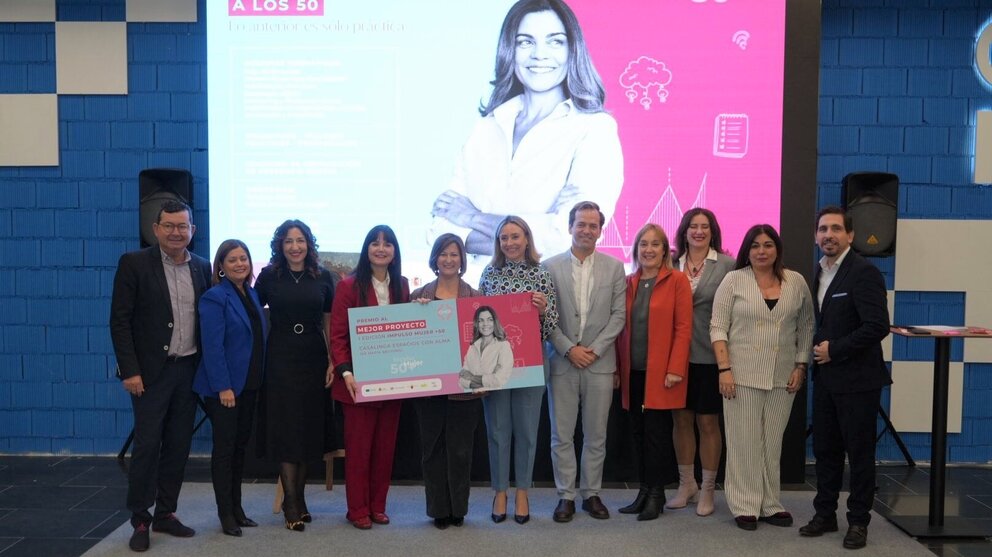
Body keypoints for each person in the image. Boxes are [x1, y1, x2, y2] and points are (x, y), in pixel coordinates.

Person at [430, 0, 623, 258]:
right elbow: (440, 231)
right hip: (475, 293)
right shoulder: (485, 128)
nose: (539, 54)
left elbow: (566, 236)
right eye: (525, 42)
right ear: (510, 49)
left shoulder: (595, 129)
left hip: (547, 294)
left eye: (554, 41)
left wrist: (471, 216)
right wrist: (531, 236)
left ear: (572, 49)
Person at [109, 200, 211, 552]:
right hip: (149, 375)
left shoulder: (201, 267)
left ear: (192, 231)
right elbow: (120, 321)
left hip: (188, 371)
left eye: (182, 226)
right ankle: (140, 518)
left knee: (179, 446)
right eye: (168, 226)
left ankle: (167, 513)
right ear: (155, 229)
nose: (175, 232)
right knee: (148, 446)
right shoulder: (134, 264)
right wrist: (130, 371)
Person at [709, 224, 814, 531]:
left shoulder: (795, 282)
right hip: (740, 375)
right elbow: (718, 327)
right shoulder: (733, 280)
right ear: (747, 250)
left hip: (784, 377)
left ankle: (770, 503)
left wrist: (801, 364)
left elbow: (807, 326)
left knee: (771, 442)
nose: (761, 251)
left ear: (777, 249)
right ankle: (745, 504)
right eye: (755, 245)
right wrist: (724, 370)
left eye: (768, 245)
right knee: (745, 442)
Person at [799, 206, 890, 550]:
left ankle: (858, 522)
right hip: (826, 380)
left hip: (858, 381)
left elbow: (877, 326)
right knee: (825, 451)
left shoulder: (864, 272)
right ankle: (825, 514)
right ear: (816, 236)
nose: (829, 235)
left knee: (860, 454)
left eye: (836, 229)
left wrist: (834, 350)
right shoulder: (819, 273)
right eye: (823, 229)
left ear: (850, 235)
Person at [544, 201, 625, 522]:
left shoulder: (615, 267)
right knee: (561, 435)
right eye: (581, 224)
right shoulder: (549, 268)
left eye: (593, 225)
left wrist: (594, 348)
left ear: (600, 231)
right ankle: (565, 496)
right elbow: (546, 317)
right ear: (570, 227)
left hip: (600, 363)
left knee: (596, 435)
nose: (587, 230)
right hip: (562, 362)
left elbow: (619, 315)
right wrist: (568, 349)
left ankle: (591, 493)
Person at [255, 220, 335, 532]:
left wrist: (332, 360)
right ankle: (290, 501)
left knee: (307, 429)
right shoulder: (269, 276)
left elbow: (329, 321)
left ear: (308, 244)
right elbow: (250, 309)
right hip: (281, 358)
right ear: (280, 245)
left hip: (314, 358)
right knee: (287, 428)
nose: (295, 247)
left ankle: (300, 498)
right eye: (288, 241)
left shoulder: (323, 276)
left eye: (300, 240)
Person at [478, 215, 558, 524]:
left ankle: (522, 491)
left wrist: (543, 309)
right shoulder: (489, 273)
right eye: (504, 238)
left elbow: (551, 326)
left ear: (527, 239)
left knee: (526, 431)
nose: (509, 243)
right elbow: (476, 322)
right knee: (497, 430)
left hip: (531, 361)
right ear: (498, 244)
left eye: (515, 236)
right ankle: (500, 491)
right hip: (494, 363)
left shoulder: (541, 274)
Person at [330, 225, 410, 530]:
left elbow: (409, 326)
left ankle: (378, 506)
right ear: (366, 250)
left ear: (394, 252)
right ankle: (358, 509)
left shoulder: (401, 285)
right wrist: (345, 372)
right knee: (360, 450)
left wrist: (423, 310)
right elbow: (337, 336)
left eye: (387, 244)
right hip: (358, 382)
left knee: (385, 449)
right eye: (375, 244)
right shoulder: (348, 286)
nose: (381, 248)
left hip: (393, 380)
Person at [615, 223, 692, 521]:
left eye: (655, 244)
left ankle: (657, 494)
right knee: (637, 433)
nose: (648, 249)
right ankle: (643, 491)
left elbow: (683, 329)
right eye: (643, 244)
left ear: (664, 250)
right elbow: (619, 329)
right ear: (636, 250)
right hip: (631, 371)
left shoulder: (677, 281)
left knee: (656, 435)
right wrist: (616, 369)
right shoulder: (627, 282)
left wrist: (675, 369)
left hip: (661, 374)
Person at [193, 240, 267, 537]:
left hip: (248, 386)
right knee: (225, 452)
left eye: (244, 258)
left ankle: (237, 509)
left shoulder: (250, 293)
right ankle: (225, 514)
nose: (240, 264)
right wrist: (223, 387)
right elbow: (212, 347)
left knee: (239, 451)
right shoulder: (214, 297)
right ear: (220, 266)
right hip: (223, 390)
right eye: (233, 260)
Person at [410, 234, 483, 529]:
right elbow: (409, 342)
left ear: (462, 259)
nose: (449, 259)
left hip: (465, 390)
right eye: (443, 254)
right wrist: (419, 315)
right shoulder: (418, 297)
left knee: (461, 451)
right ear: (435, 258)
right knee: (432, 450)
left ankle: (458, 510)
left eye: (454, 254)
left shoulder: (476, 297)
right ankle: (438, 509)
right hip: (428, 389)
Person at [669, 208, 735, 516]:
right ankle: (687, 484)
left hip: (710, 357)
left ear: (713, 231)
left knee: (708, 422)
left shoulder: (726, 265)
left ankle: (708, 489)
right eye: (692, 226)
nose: (698, 231)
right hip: (675, 358)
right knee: (681, 421)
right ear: (684, 231)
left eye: (704, 227)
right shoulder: (670, 263)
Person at [459, 306, 515, 390]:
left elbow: (499, 379)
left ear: (495, 322)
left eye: (490, 319)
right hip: (476, 396)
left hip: (496, 395)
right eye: (480, 320)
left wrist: (471, 377)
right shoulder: (473, 347)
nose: (485, 324)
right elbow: (462, 380)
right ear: (476, 324)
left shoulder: (503, 345)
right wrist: (488, 379)